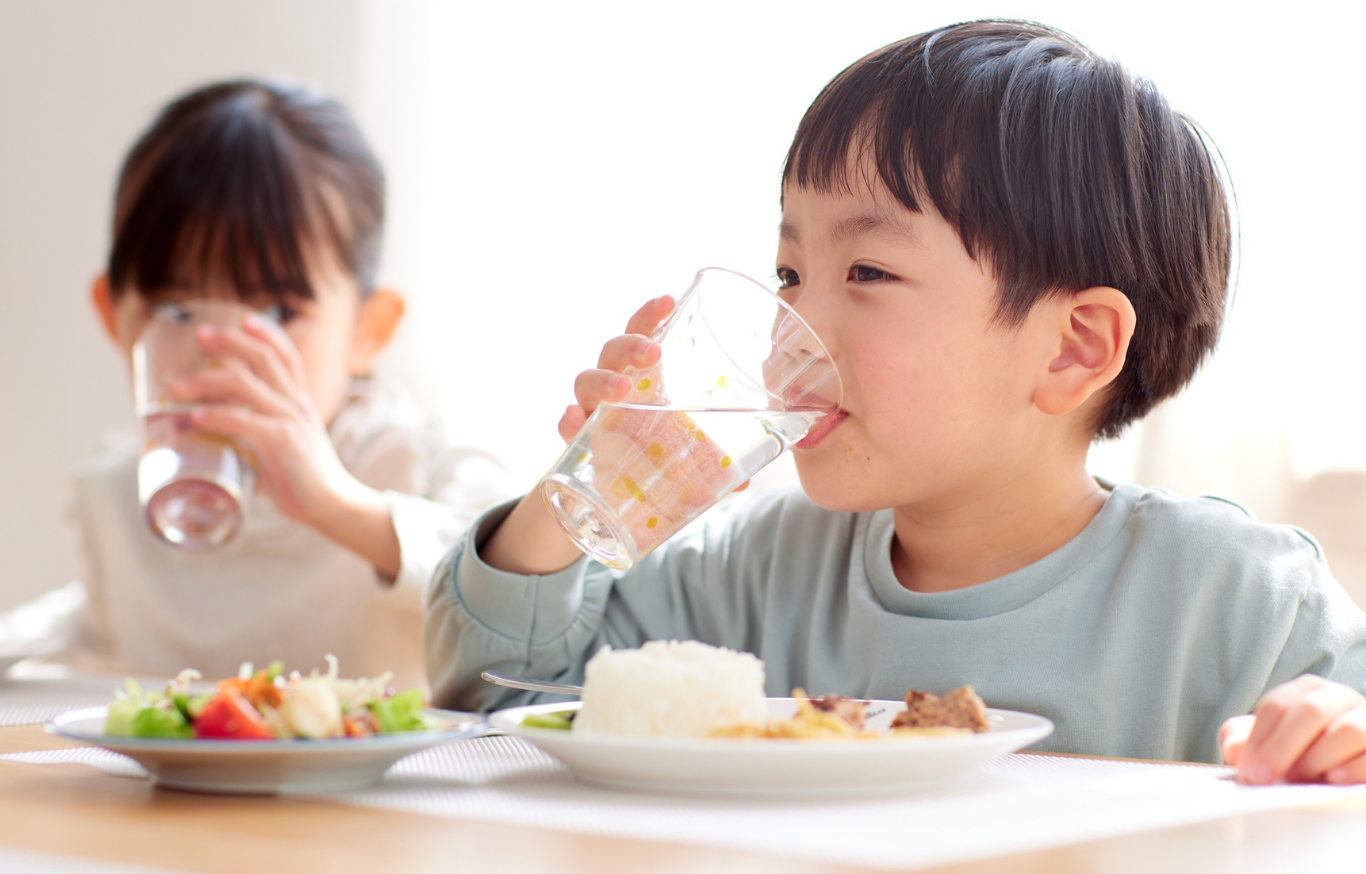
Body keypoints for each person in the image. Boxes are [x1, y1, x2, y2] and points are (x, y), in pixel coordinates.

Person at [424, 20, 1366, 783]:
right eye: (789, 271)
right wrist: (576, 496)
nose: (790, 324)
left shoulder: (1237, 596)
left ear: (1073, 347)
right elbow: (502, 704)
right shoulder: (759, 569)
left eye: (868, 269)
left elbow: (1345, 742)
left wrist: (1337, 740)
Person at [1, 79, 509, 688]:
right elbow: (82, 628)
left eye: (277, 314)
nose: (221, 351)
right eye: (175, 309)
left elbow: (522, 600)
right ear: (116, 319)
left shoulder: (412, 463)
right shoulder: (117, 494)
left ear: (367, 331)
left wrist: (335, 502)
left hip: (368, 783)